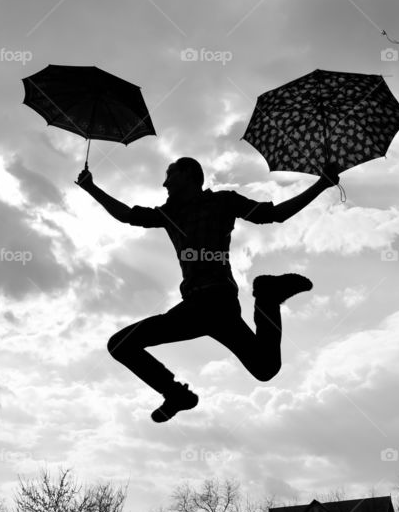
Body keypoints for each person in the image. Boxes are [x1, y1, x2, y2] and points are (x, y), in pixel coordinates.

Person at [76, 157, 343, 422]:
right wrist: (90, 188)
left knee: (121, 344)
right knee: (265, 368)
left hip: (212, 303)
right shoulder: (170, 213)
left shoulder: (223, 201)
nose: (165, 183)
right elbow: (127, 215)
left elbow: (274, 214)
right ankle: (267, 297)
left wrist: (322, 184)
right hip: (210, 308)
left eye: (170, 175)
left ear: (188, 174)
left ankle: (177, 394)